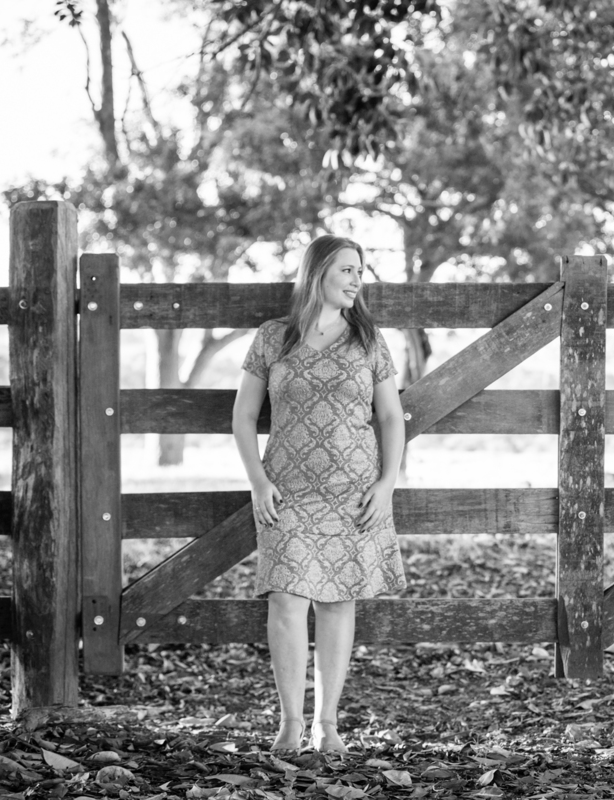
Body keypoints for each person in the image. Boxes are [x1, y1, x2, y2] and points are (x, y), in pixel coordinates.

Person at [233, 235, 406, 753]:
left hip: (354, 492)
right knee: (285, 598)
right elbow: (244, 416)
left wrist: (387, 484)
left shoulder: (369, 339)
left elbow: (390, 416)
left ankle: (326, 724)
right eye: (348, 269)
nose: (357, 280)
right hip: (285, 491)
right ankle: (290, 721)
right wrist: (257, 481)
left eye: (361, 271)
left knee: (336, 601)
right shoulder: (273, 337)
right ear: (318, 272)